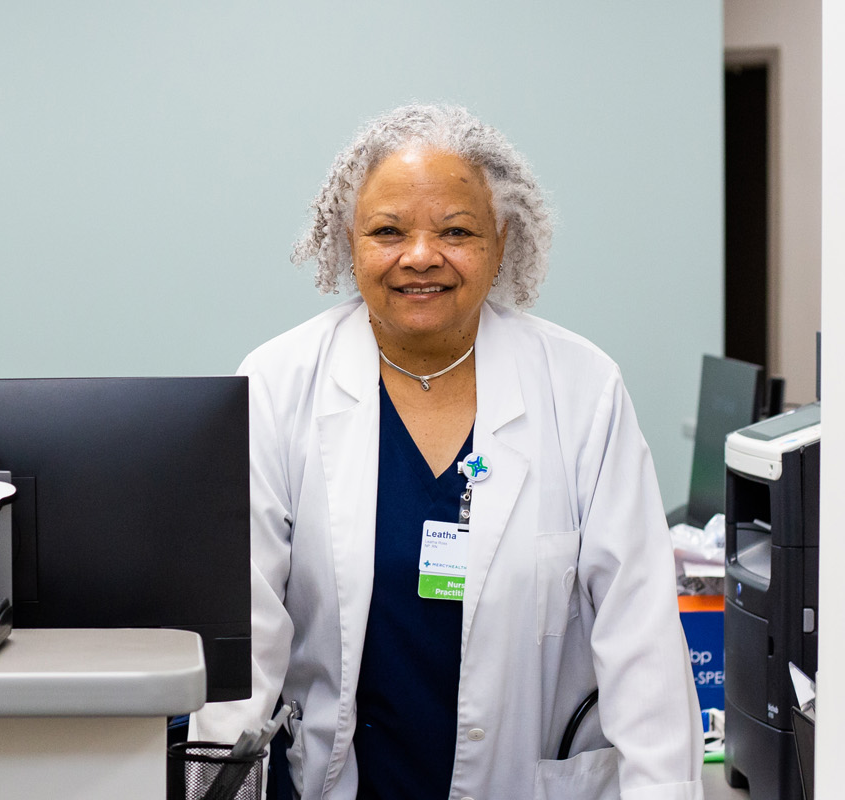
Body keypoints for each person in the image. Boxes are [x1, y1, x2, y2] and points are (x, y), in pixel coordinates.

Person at [191, 104, 704, 800]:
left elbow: (639, 636)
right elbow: (242, 637)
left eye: (457, 231)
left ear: (502, 241)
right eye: (387, 231)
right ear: (350, 243)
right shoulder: (278, 384)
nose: (421, 256)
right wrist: (210, 785)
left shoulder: (582, 388)